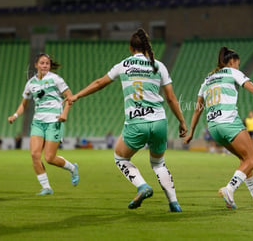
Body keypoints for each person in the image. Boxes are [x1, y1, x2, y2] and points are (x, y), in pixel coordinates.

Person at [66, 28, 187, 212]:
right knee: (158, 163)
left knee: (120, 157)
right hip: (159, 121)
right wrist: (182, 122)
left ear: (131, 48)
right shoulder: (158, 66)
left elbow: (99, 83)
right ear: (147, 47)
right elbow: (170, 97)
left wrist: (77, 96)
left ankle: (142, 186)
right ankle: (174, 203)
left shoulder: (123, 65)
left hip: (136, 122)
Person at [184, 46, 253, 209]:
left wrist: (191, 133)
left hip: (214, 127)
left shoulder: (207, 80)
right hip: (229, 122)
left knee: (244, 160)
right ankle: (229, 189)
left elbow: (198, 109)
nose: (238, 66)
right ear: (232, 61)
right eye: (238, 63)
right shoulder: (233, 72)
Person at [8, 53, 79, 195]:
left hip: (54, 121)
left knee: (49, 158)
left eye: (47, 63)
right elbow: (24, 104)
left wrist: (64, 113)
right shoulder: (30, 83)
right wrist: (15, 115)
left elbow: (70, 97)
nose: (45, 65)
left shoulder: (55, 79)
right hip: (38, 122)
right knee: (34, 155)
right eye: (42, 63)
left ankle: (72, 168)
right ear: (36, 65)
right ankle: (46, 188)